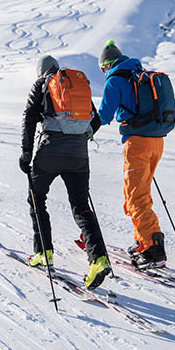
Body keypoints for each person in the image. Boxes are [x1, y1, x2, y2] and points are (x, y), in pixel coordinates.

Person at [20, 55, 111, 289]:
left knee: (37, 199)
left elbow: (29, 119)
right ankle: (98, 260)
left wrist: (26, 155)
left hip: (49, 153)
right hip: (79, 156)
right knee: (81, 206)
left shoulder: (41, 84)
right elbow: (97, 120)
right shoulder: (73, 83)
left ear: (40, 71)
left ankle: (44, 252)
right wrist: (80, 135)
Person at [97, 40, 167, 269]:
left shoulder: (115, 80)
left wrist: (85, 130)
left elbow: (104, 115)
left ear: (107, 65)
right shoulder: (139, 74)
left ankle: (153, 249)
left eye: (101, 69)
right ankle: (142, 242)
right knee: (138, 194)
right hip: (156, 141)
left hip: (137, 143)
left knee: (135, 197)